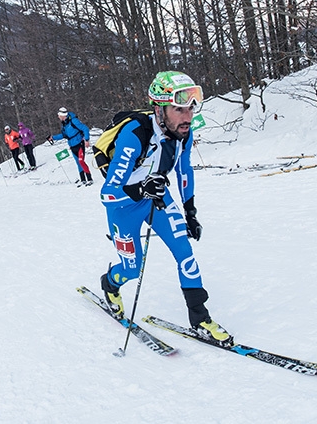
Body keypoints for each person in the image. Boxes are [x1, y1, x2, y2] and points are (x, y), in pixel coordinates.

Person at [97, 71, 232, 346]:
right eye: (178, 109)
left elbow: (184, 171)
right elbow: (108, 193)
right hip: (124, 206)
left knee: (185, 251)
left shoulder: (184, 133)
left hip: (156, 197)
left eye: (190, 108)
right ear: (159, 109)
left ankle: (200, 318)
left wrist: (190, 212)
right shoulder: (134, 135)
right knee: (131, 269)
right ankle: (110, 284)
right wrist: (139, 190)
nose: (187, 116)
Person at [48, 107, 93, 185]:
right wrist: (53, 137)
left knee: (81, 161)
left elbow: (85, 128)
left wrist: (86, 140)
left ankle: (90, 179)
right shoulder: (64, 125)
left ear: (62, 116)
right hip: (72, 146)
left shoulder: (73, 121)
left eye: (59, 115)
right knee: (78, 163)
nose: (58, 117)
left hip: (79, 144)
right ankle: (83, 180)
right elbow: (64, 135)